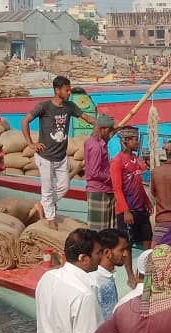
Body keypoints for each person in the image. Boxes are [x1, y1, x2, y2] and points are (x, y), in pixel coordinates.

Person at [23, 76, 97, 230]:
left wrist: (103, 123)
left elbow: (86, 118)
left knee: (64, 186)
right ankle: (51, 219)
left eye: (69, 89)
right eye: (67, 90)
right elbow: (25, 121)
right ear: (57, 90)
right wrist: (30, 143)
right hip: (45, 156)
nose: (69, 92)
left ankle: (42, 204)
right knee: (47, 188)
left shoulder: (70, 106)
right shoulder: (44, 107)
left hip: (61, 157)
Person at [111, 126, 152, 285]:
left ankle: (142, 272)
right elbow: (117, 189)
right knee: (127, 245)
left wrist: (147, 201)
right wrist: (126, 211)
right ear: (126, 141)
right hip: (127, 211)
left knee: (148, 240)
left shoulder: (136, 159)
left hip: (141, 208)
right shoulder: (117, 162)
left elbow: (138, 183)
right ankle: (130, 276)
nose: (137, 142)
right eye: (134, 139)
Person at [83, 114, 116, 232]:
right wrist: (112, 177)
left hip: (103, 189)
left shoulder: (94, 142)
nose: (111, 133)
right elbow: (94, 172)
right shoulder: (96, 147)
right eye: (110, 130)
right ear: (102, 129)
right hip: (99, 191)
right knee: (99, 230)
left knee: (106, 229)